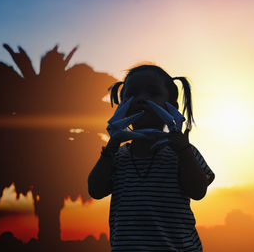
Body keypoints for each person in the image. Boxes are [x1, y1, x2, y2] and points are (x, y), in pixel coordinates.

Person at [88, 64, 215, 251]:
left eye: (153, 93)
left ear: (172, 106)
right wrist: (112, 145)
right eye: (131, 94)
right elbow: (95, 190)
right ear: (122, 105)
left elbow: (198, 191)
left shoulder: (184, 153)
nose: (141, 99)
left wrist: (183, 150)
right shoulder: (116, 156)